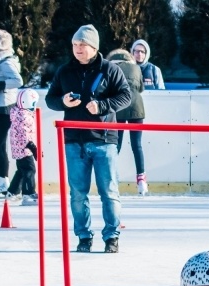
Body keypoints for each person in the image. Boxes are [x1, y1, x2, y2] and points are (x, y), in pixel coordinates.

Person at [45, 24, 131, 253]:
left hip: (104, 140)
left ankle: (112, 237)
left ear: (93, 47)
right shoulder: (64, 71)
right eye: (74, 44)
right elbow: (50, 99)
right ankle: (83, 236)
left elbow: (126, 96)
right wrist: (63, 102)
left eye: (82, 44)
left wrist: (103, 106)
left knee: (109, 192)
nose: (77, 49)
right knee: (77, 193)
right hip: (74, 141)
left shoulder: (110, 69)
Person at [0, 29, 23, 198]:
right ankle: (3, 180)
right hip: (1, 105)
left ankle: (3, 181)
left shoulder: (5, 62)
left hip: (6, 106)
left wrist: (4, 85)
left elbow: (18, 80)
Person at [106, 49, 148, 196]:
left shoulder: (111, 68)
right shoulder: (136, 67)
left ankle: (112, 179)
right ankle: (141, 180)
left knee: (115, 145)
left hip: (119, 107)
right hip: (137, 107)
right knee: (137, 145)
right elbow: (141, 88)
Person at [6, 88, 40, 205]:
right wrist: (33, 147)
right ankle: (28, 194)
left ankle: (12, 192)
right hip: (25, 149)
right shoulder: (24, 116)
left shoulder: (18, 112)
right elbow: (25, 133)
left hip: (19, 149)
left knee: (21, 171)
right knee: (30, 170)